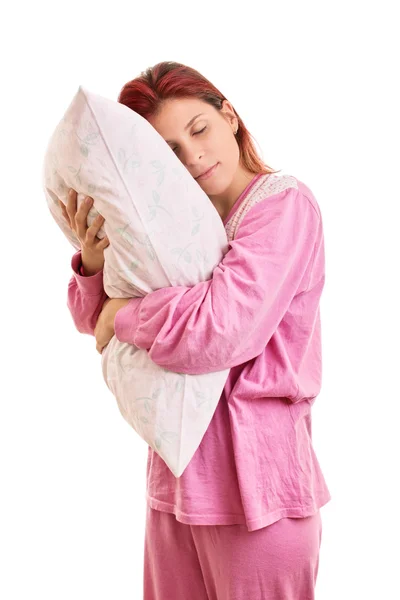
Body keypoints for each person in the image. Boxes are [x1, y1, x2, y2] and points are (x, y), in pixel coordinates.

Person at [61, 61, 331, 600]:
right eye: (171, 151)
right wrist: (93, 265)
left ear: (229, 115)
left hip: (258, 492)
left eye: (199, 129)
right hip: (177, 484)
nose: (193, 156)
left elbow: (222, 329)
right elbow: (95, 324)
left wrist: (127, 314)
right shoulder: (172, 229)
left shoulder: (283, 205)